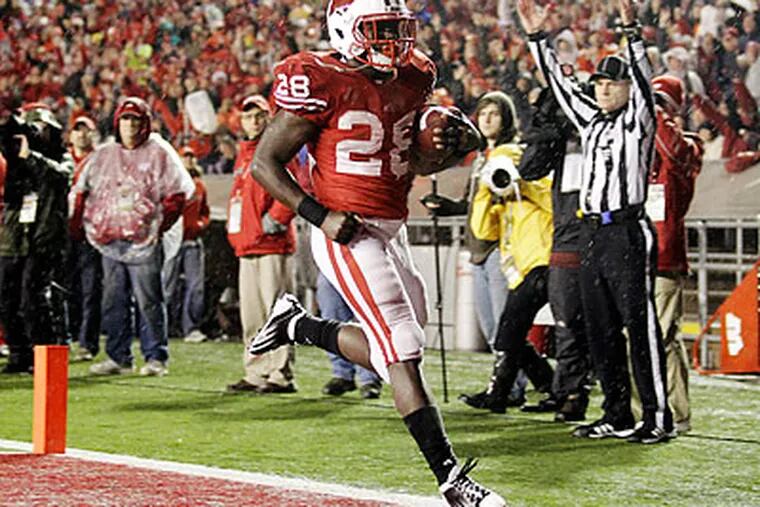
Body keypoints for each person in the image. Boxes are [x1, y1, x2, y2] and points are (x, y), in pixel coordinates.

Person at [248, 1, 504, 505]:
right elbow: (264, 163)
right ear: (345, 30)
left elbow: (415, 159)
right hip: (347, 231)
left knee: (401, 347)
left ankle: (299, 325)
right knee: (401, 344)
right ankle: (452, 480)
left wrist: (458, 144)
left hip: (391, 226)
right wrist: (320, 215)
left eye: (397, 28)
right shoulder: (320, 78)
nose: (393, 41)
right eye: (380, 29)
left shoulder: (414, 75)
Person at [519, 0, 675, 443]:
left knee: (639, 326)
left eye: (612, 83)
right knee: (600, 328)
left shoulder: (638, 122)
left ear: (626, 88)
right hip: (591, 231)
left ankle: (657, 416)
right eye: (600, 83)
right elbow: (559, 85)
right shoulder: (591, 122)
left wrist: (631, 30)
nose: (603, 90)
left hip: (626, 229)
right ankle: (617, 413)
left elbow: (643, 81)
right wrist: (537, 40)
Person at [421, 91, 532, 406]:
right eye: (483, 113)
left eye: (494, 114)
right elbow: (473, 205)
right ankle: (516, 384)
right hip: (478, 248)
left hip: (501, 247)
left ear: (506, 119)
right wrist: (447, 207)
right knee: (492, 327)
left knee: (504, 327)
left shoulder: (510, 155)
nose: (486, 119)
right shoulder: (482, 157)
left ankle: (511, 389)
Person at [70, 97, 194, 377]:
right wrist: (80, 225)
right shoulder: (105, 154)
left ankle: (155, 356)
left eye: (136, 119)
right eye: (125, 119)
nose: (130, 125)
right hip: (111, 240)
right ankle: (118, 356)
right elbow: (82, 189)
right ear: (117, 123)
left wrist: (158, 227)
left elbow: (178, 194)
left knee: (149, 299)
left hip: (144, 242)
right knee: (113, 300)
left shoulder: (159, 152)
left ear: (145, 123)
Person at [458, 144, 556, 415]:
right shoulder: (504, 202)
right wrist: (485, 191)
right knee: (511, 333)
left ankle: (500, 393)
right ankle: (550, 386)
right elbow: (483, 231)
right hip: (519, 273)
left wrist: (522, 185)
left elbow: (554, 206)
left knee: (509, 332)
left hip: (543, 266)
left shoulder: (540, 186)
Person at [517, 87, 592, 422]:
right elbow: (529, 168)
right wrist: (545, 123)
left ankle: (611, 401)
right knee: (566, 322)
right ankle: (568, 392)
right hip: (565, 238)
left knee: (602, 325)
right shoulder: (561, 139)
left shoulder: (606, 132)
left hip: (602, 234)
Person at [634, 75, 703, 434]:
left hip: (664, 256)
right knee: (634, 338)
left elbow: (674, 152)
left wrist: (654, 110)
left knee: (662, 337)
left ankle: (676, 413)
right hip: (633, 254)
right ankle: (639, 413)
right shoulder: (639, 143)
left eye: (661, 102)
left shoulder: (689, 145)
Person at [225, 94, 297, 395]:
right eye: (248, 116)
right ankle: (256, 371)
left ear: (269, 118)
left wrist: (276, 219)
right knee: (253, 315)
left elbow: (296, 185)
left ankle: (280, 373)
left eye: (259, 115)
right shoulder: (244, 154)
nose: (254, 121)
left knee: (276, 311)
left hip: (272, 244)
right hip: (249, 244)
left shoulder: (280, 147)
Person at [0, 102, 72, 373]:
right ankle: (19, 354)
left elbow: (61, 177)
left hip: (44, 238)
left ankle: (45, 358)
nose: (38, 133)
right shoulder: (16, 160)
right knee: (7, 298)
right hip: (15, 236)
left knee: (34, 299)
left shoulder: (60, 157)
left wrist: (32, 157)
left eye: (43, 127)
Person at [163, 145, 210, 343]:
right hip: (172, 242)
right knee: (167, 287)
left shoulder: (199, 186)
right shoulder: (169, 183)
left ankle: (191, 328)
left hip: (191, 241)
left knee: (195, 287)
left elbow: (205, 212)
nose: (189, 160)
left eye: (191, 157)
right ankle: (163, 327)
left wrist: (201, 224)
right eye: (185, 157)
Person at [67, 114, 101, 361]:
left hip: (91, 233)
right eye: (77, 130)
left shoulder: (100, 160)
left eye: (86, 130)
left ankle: (87, 342)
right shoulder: (62, 158)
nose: (81, 134)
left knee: (91, 290)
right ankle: (66, 337)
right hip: (65, 232)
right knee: (66, 288)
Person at [318, 272, 383, 399]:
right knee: (331, 316)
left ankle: (369, 378)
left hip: (363, 264)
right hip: (329, 265)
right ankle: (342, 374)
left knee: (365, 318)